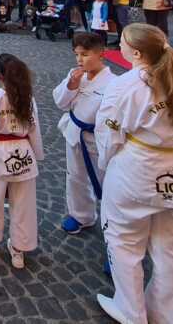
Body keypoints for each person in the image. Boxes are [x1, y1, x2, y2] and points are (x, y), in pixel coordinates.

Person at [95, 23, 173, 324]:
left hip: (137, 169)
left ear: (137, 52)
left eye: (124, 44)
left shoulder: (125, 84)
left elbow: (108, 131)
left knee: (124, 240)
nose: (120, 47)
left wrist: (105, 163)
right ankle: (167, 315)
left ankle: (130, 309)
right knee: (170, 248)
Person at [0, 53, 44, 269]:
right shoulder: (28, 98)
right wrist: (37, 154)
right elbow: (35, 128)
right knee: (24, 203)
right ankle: (19, 248)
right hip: (24, 151)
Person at [53, 32, 115, 235]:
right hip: (74, 132)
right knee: (75, 176)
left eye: (85, 54)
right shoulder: (75, 75)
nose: (80, 59)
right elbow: (61, 103)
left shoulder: (114, 83)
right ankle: (81, 215)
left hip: (98, 139)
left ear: (101, 54)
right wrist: (71, 85)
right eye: (77, 54)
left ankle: (114, 226)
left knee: (106, 181)